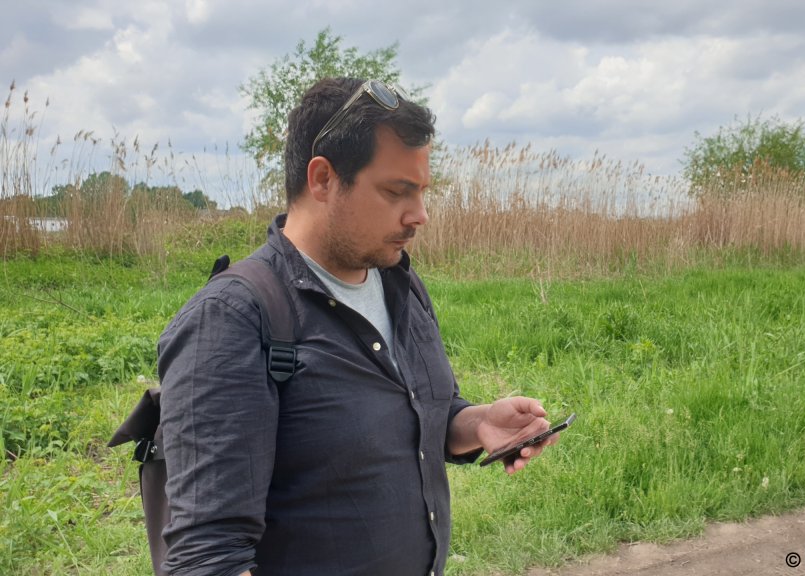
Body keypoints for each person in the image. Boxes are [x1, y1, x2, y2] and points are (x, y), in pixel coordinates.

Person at [157, 77, 558, 576]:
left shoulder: (398, 282)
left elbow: (419, 412)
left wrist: (475, 423)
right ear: (323, 179)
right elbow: (207, 558)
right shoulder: (233, 319)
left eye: (422, 192)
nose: (420, 215)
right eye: (397, 191)